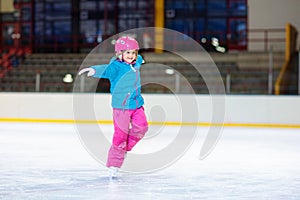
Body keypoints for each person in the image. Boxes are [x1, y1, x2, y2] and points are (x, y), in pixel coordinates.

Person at [78, 36, 148, 179]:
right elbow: (105, 70)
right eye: (128, 53)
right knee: (120, 136)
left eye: (134, 53)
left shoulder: (137, 62)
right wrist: (93, 70)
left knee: (142, 127)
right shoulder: (115, 67)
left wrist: (139, 57)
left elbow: (140, 58)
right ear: (119, 53)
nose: (131, 56)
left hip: (136, 104)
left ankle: (126, 148)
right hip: (121, 108)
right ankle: (114, 165)